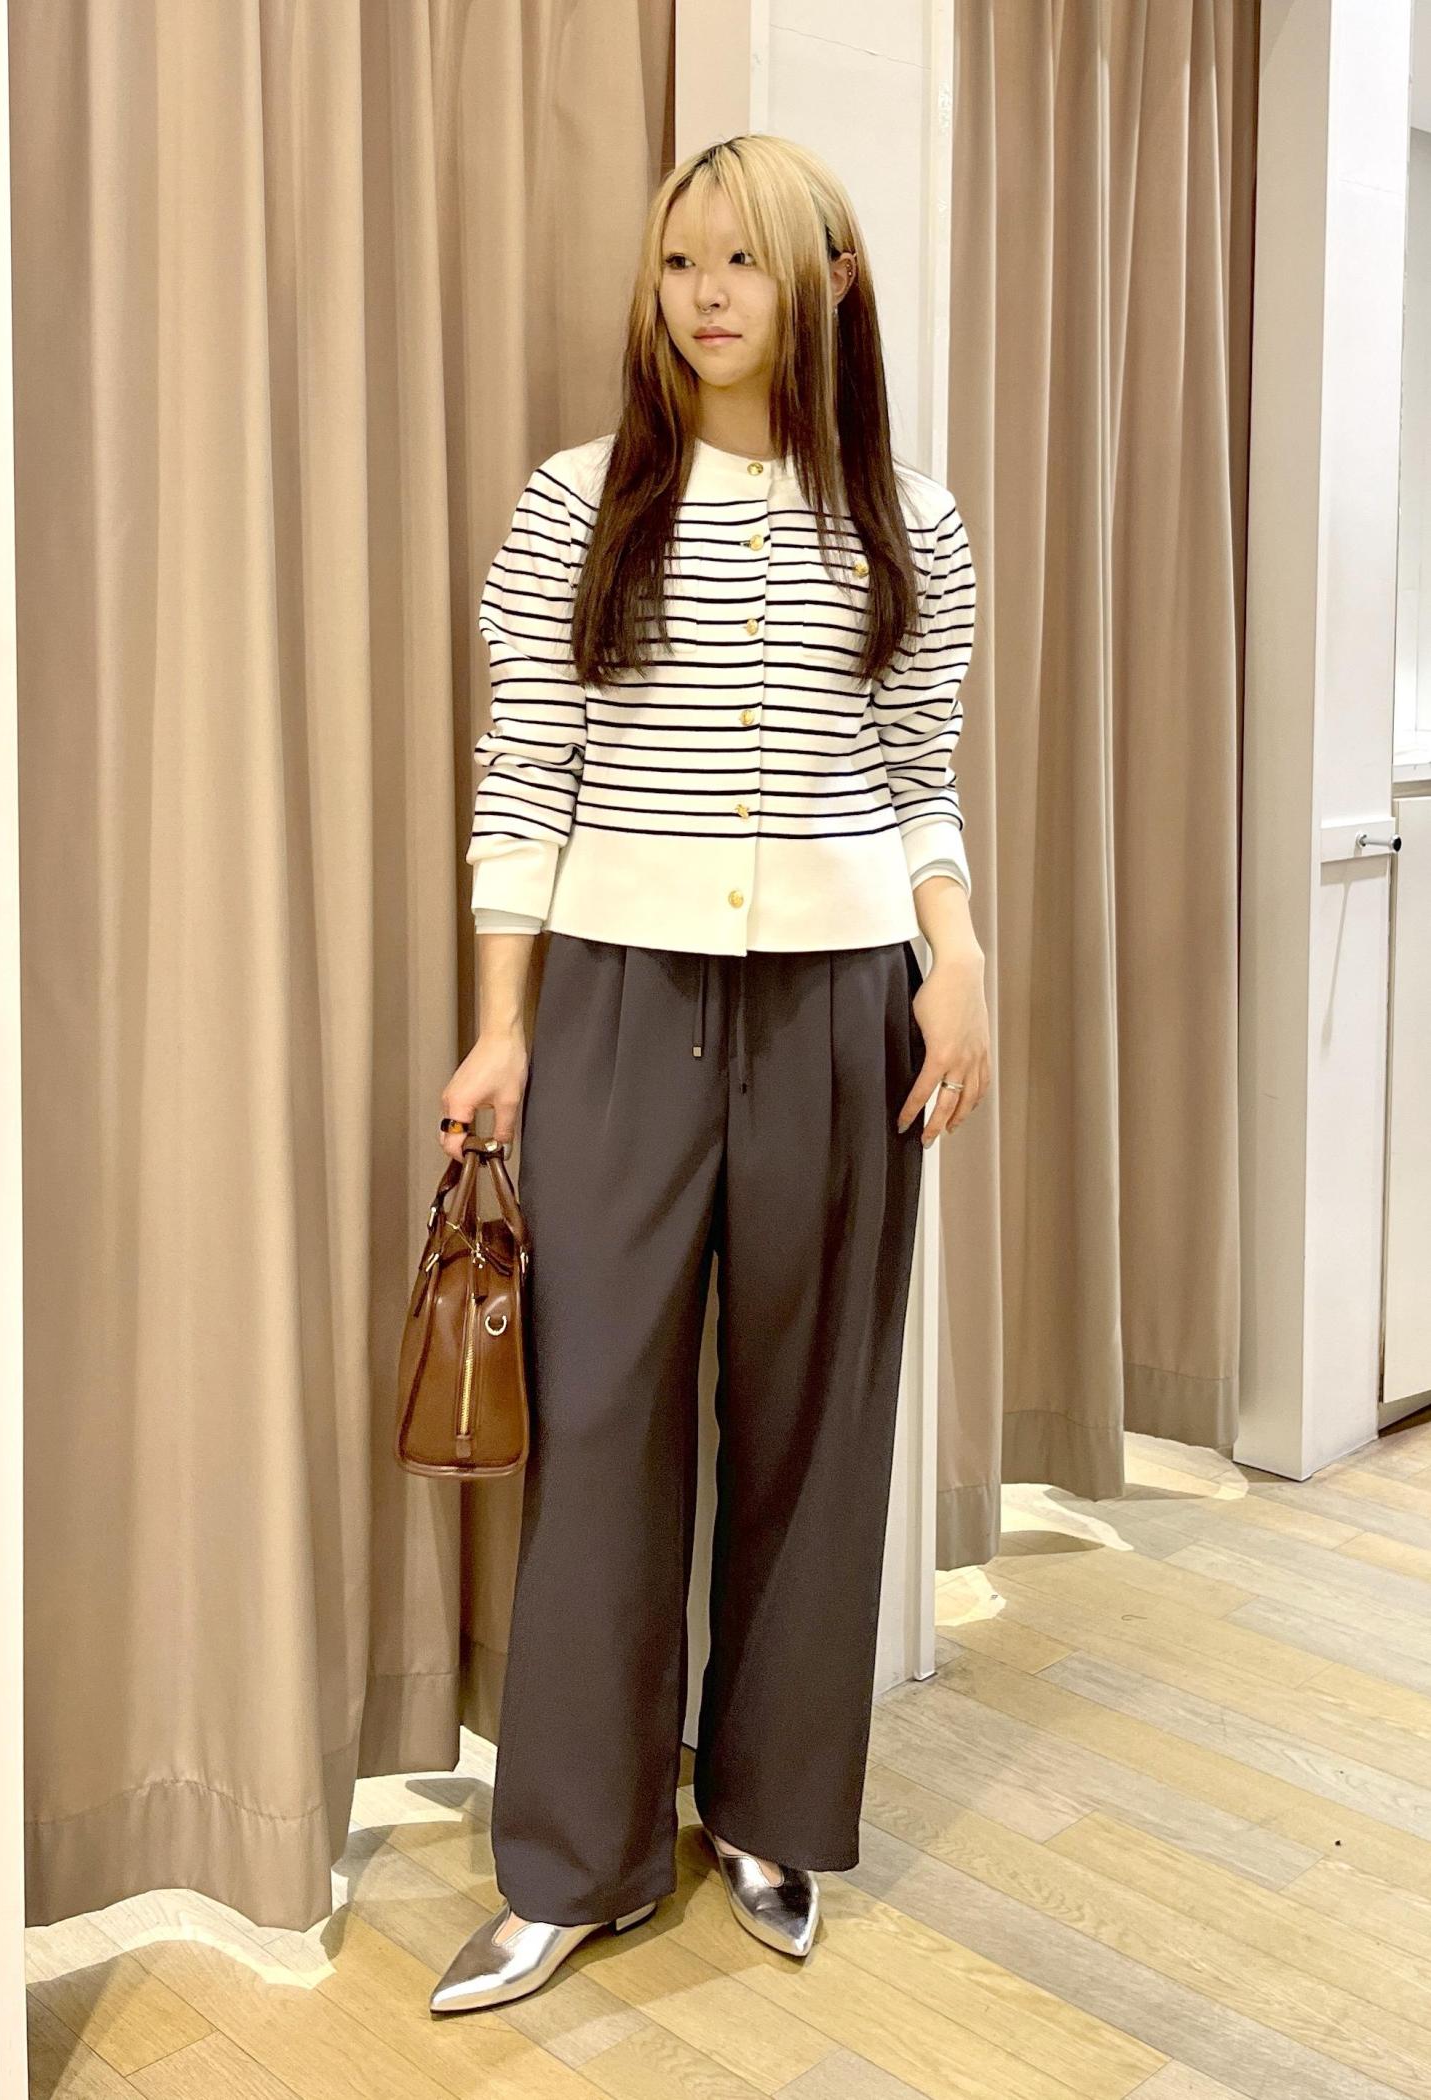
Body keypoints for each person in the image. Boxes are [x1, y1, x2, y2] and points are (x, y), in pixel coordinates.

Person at [429, 132, 990, 2015]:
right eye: (681, 261)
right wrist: (504, 1024)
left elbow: (919, 773)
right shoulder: (577, 501)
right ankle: (573, 1859)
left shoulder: (910, 521)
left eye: (744, 259)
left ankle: (766, 1812)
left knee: (815, 1418)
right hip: (616, 996)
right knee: (601, 1423)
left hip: (845, 1004)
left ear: (826, 279)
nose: (708, 295)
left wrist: (959, 960)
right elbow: (526, 769)